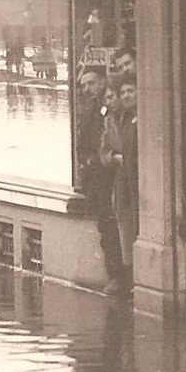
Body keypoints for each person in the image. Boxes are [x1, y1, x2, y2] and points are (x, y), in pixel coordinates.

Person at [76, 65, 125, 293]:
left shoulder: (114, 108)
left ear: (104, 81)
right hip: (99, 180)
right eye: (84, 85)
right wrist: (89, 162)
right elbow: (82, 146)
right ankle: (116, 276)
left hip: (117, 177)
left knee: (118, 226)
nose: (87, 89)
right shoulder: (90, 111)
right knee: (107, 227)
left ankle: (123, 277)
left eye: (91, 83)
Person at [100, 69, 138, 297]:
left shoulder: (135, 118)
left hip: (135, 184)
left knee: (133, 229)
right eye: (121, 92)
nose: (125, 96)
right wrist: (112, 158)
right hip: (123, 185)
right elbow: (104, 149)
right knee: (124, 232)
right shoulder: (114, 120)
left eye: (129, 91)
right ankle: (127, 278)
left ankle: (131, 280)